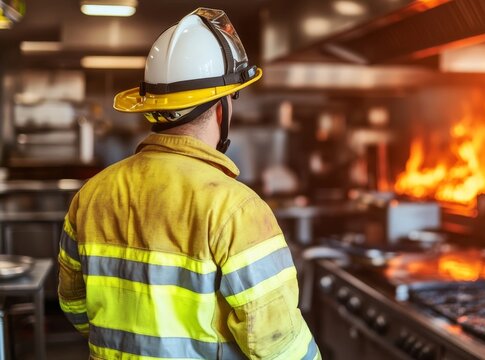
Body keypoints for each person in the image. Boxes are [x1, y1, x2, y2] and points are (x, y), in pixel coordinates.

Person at [58, 8, 320, 360]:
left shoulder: (91, 195)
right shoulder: (236, 208)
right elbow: (277, 344)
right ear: (221, 108)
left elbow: (75, 308)